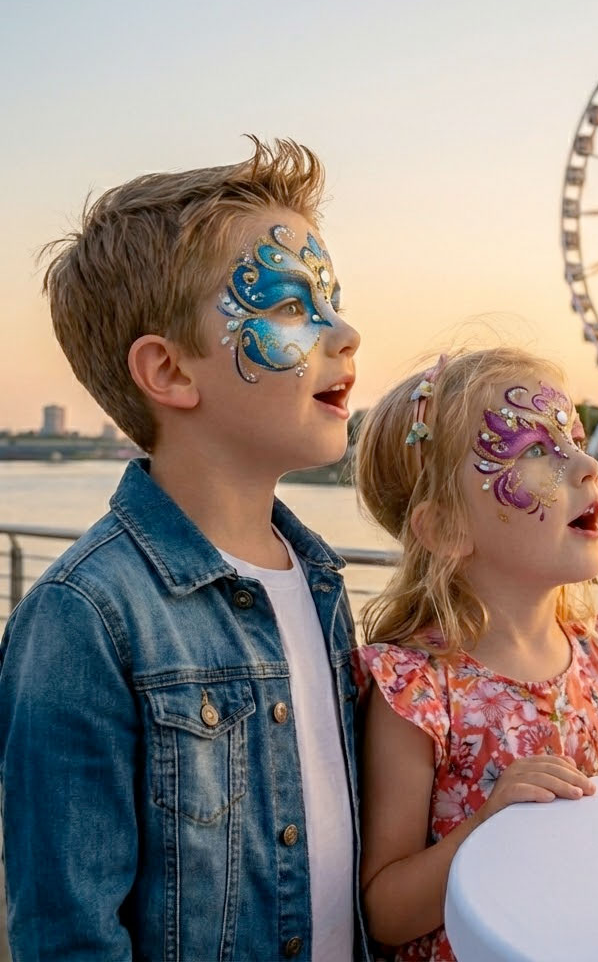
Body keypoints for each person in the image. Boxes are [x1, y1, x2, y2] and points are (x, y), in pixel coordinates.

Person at [0, 139, 372, 960]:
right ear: (168, 371)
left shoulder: (320, 585)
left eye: (333, 300)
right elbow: (68, 934)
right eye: (287, 307)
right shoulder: (82, 620)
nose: (344, 332)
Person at [353, 348, 598, 960]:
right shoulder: (418, 690)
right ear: (447, 527)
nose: (586, 463)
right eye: (535, 450)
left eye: (574, 437)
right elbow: (387, 911)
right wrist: (489, 827)